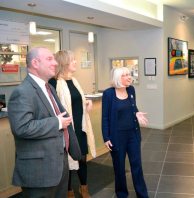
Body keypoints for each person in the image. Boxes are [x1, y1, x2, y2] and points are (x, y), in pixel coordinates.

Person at [7, 47, 81, 198]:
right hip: (39, 171)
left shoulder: (48, 88)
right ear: (35, 63)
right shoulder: (23, 92)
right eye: (49, 59)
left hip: (59, 165)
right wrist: (57, 123)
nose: (55, 63)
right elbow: (22, 128)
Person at [49, 50, 96, 198]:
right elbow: (52, 108)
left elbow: (78, 99)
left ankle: (84, 189)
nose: (75, 62)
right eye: (73, 60)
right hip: (66, 130)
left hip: (80, 128)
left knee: (82, 158)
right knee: (67, 164)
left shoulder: (74, 80)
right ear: (64, 63)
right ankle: (68, 191)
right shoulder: (53, 82)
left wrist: (86, 102)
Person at [102, 67, 149, 198]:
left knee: (137, 166)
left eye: (130, 74)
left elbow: (133, 107)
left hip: (133, 135)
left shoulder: (131, 90)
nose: (130, 77)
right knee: (119, 168)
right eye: (125, 75)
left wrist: (137, 113)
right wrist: (106, 137)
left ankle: (142, 194)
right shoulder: (108, 94)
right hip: (117, 137)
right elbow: (105, 117)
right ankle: (122, 194)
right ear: (118, 78)